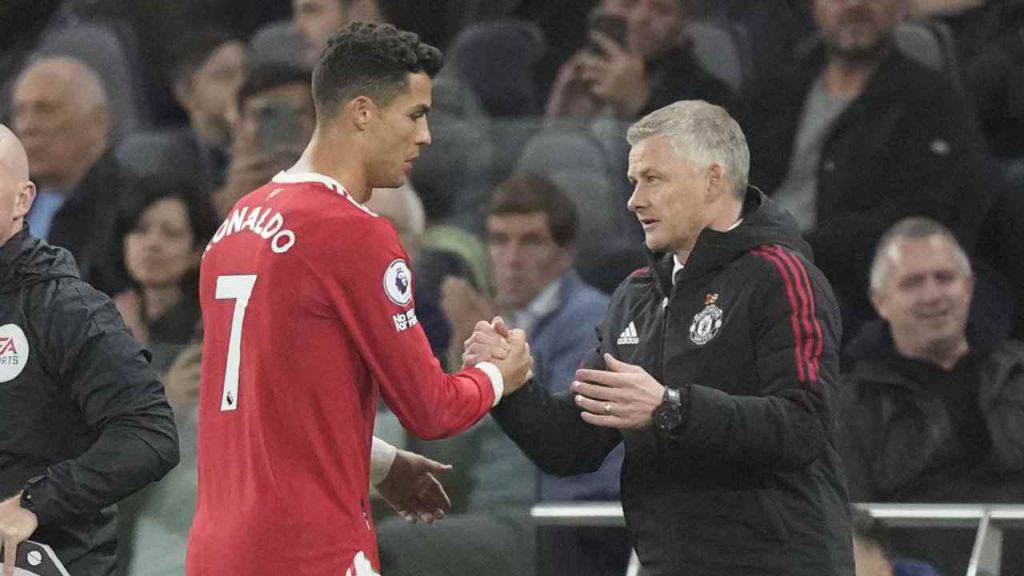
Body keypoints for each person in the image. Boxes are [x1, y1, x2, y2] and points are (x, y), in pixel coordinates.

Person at [186, 22, 533, 576]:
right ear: (364, 112)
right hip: (309, 550)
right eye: (416, 115)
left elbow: (269, 405)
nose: (426, 137)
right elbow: (433, 407)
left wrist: (378, 461)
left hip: (217, 549)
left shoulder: (236, 225)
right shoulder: (353, 232)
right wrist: (498, 373)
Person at [466, 100, 854, 575]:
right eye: (634, 182)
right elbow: (571, 445)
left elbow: (804, 424)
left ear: (713, 179)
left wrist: (670, 408)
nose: (634, 200)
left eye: (653, 179)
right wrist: (507, 383)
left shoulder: (781, 276)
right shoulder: (637, 295)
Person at [738, 0, 989, 337]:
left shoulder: (933, 104)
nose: (854, 5)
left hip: (842, 290)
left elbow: (920, 218)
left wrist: (800, 247)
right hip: (746, 264)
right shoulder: (773, 91)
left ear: (901, 8)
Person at [0, 123, 179, 575]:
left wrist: (33, 502)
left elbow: (149, 432)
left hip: (50, 561)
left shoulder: (64, 307)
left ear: (23, 199)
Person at [838, 217, 1024, 576]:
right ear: (880, 301)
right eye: (912, 282)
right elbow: (852, 531)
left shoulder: (1018, 373)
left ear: (969, 287)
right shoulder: (850, 406)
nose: (932, 295)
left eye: (945, 278)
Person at [11, 56, 132, 295]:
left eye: (45, 110)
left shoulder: (131, 206)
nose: (27, 126)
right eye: (21, 111)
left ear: (98, 122)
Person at [546, 0, 733, 119]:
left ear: (682, 28)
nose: (640, 17)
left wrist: (641, 107)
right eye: (628, 3)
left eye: (661, 9)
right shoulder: (558, 65)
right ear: (602, 9)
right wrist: (555, 121)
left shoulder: (708, 98)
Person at [110, 177, 220, 371]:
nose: (152, 244)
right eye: (140, 230)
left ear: (197, 251)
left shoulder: (211, 326)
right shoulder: (104, 315)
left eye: (171, 233)